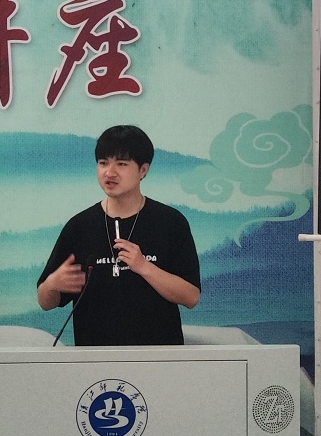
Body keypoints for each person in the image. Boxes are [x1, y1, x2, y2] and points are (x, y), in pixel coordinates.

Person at [37, 125, 200, 346]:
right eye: (103, 163)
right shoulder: (79, 226)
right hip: (94, 359)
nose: (109, 172)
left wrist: (144, 266)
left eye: (121, 164)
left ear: (143, 170)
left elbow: (191, 297)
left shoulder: (170, 222)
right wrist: (52, 284)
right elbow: (45, 302)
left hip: (159, 357)